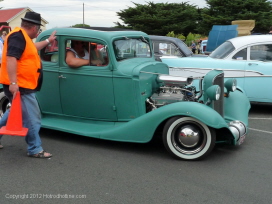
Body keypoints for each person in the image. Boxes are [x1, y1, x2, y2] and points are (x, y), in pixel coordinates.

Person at [0, 11, 56, 157]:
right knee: (32, 118)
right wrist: (13, 83)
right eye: (39, 30)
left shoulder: (22, 37)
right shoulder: (18, 37)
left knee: (12, 113)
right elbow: (11, 58)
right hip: (20, 86)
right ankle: (35, 149)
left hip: (22, 85)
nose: (38, 33)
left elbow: (33, 48)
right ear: (34, 28)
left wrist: (48, 41)